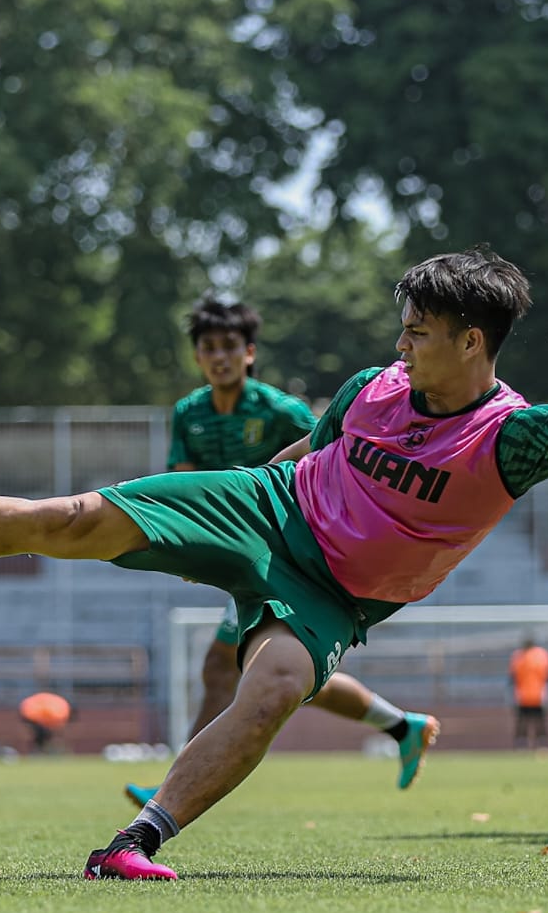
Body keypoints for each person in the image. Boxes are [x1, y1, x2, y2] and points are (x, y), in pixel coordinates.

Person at [0, 246, 548, 879]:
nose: (402, 345)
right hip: (269, 506)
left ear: (472, 341)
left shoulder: (510, 435)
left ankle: (133, 843)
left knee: (267, 693)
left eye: (420, 332)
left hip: (338, 594)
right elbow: (314, 445)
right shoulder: (374, 386)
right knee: (71, 517)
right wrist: (226, 510)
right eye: (403, 328)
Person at [123, 297, 439, 808]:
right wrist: (186, 544)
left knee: (220, 668)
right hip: (232, 545)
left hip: (284, 547)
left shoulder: (279, 410)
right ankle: (402, 725)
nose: (219, 357)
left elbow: (326, 454)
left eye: (229, 347)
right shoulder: (190, 413)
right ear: (198, 356)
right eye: (208, 349)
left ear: (249, 353)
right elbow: (182, 482)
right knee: (276, 669)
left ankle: (172, 789)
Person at [508, 636, 548, 749]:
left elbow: (512, 678)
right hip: (537, 695)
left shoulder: (518, 656)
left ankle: (522, 745)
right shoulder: (542, 655)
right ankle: (542, 745)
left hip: (524, 696)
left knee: (524, 722)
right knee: (538, 721)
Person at [19, 691, 73, 755]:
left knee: (44, 737)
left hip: (39, 718)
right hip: (37, 718)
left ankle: (41, 750)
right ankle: (40, 750)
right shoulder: (57, 711)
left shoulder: (57, 709)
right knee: (42, 737)